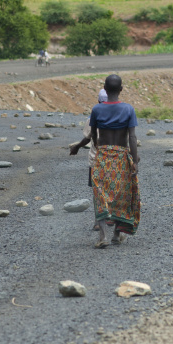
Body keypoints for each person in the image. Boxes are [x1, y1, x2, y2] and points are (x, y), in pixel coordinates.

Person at [89, 74, 140, 248]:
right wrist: (135, 160)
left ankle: (102, 236)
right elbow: (132, 137)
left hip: (103, 155)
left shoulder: (97, 109)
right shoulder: (128, 109)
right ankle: (117, 234)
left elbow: (94, 135)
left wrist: (99, 148)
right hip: (121, 156)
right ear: (121, 89)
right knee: (121, 195)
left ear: (104, 88)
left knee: (100, 194)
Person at [69, 88, 108, 230]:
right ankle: (110, 217)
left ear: (98, 101)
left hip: (96, 160)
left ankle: (99, 221)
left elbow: (88, 137)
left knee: (97, 191)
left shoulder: (93, 116)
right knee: (111, 188)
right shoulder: (116, 115)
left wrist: (77, 147)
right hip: (112, 159)